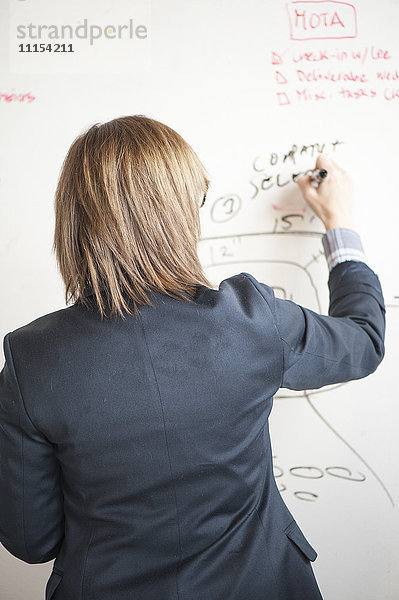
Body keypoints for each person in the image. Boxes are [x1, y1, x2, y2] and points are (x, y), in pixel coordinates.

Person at [0, 115, 385, 600]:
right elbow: (364, 340)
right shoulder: (251, 319)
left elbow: (32, 540)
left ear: (73, 220)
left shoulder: (31, 357)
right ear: (178, 212)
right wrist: (340, 227)